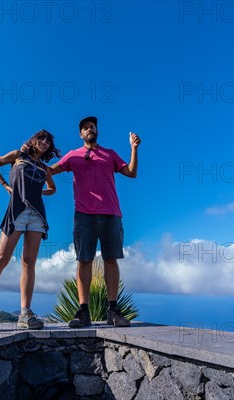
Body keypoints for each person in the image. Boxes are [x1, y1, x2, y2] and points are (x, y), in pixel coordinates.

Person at [50, 116, 141, 328]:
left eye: (93, 126)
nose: (90, 129)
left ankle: (113, 310)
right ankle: (83, 312)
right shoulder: (73, 156)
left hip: (111, 214)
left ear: (97, 131)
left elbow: (132, 173)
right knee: (84, 260)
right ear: (80, 134)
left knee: (111, 259)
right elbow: (50, 170)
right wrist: (27, 159)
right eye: (85, 128)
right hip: (84, 215)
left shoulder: (110, 154)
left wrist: (134, 148)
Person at [0, 130, 60, 335]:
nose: (44, 142)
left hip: (37, 215)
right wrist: (6, 186)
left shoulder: (45, 168)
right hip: (17, 210)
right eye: (41, 138)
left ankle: (25, 314)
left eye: (48, 141)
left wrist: (39, 193)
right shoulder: (18, 156)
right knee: (0, 259)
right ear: (33, 140)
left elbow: (53, 188)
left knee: (29, 262)